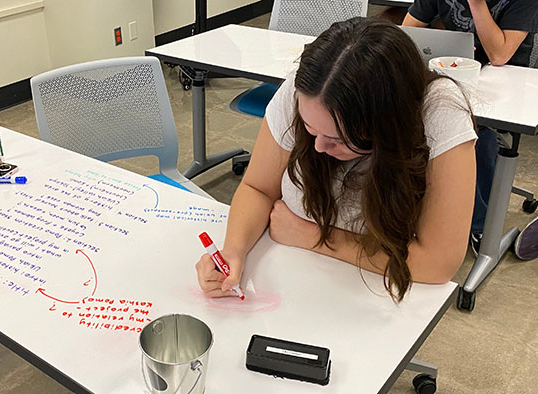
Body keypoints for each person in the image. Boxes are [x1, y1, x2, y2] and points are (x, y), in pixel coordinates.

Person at [195, 17, 477, 302]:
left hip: (376, 296)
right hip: (290, 279)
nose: (317, 146)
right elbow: (258, 188)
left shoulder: (439, 112)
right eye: (310, 128)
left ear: (387, 126)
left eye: (338, 139)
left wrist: (316, 237)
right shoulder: (310, 89)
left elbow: (439, 263)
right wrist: (233, 251)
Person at [402, 0, 538, 259]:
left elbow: (499, 56)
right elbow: (407, 32)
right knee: (402, 117)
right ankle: (415, 209)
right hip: (451, 78)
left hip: (504, 87)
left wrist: (476, 4)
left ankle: (479, 226)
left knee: (476, 135)